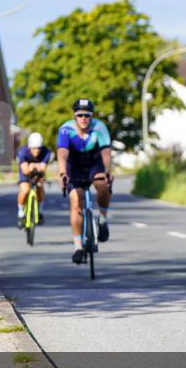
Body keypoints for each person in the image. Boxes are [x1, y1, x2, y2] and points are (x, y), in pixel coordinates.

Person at [56, 99, 113, 264]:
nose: (83, 119)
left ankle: (103, 219)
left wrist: (108, 171)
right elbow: (62, 154)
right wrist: (62, 173)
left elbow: (106, 153)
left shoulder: (99, 128)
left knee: (102, 184)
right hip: (74, 166)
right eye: (80, 115)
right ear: (74, 115)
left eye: (87, 115)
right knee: (76, 200)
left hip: (94, 163)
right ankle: (78, 247)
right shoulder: (66, 129)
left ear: (91, 116)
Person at [16, 132, 52, 228]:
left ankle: (40, 211)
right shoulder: (23, 152)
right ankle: (20, 212)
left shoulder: (46, 151)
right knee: (25, 190)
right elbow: (25, 170)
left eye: (39, 148)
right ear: (29, 147)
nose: (37, 151)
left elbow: (43, 168)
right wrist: (35, 166)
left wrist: (32, 166)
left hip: (38, 174)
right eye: (34, 148)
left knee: (40, 188)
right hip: (25, 174)